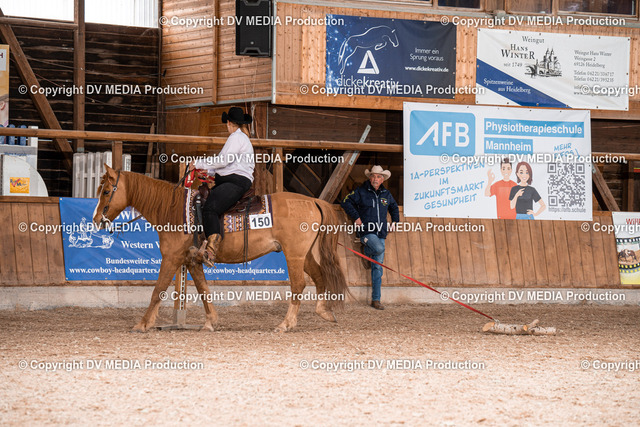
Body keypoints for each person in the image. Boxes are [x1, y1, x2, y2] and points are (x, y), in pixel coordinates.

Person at [188, 107, 255, 267]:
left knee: (210, 208)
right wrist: (209, 171)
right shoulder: (241, 138)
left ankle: (211, 251)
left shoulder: (235, 137)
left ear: (229, 123)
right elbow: (227, 165)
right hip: (237, 179)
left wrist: (198, 163)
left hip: (235, 181)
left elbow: (223, 161)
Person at [341, 165, 399, 310]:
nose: (375, 179)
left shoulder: (386, 194)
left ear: (382, 179)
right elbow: (346, 201)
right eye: (373, 176)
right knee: (378, 249)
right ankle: (365, 251)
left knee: (378, 268)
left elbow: (394, 207)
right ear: (369, 178)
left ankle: (376, 300)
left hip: (381, 233)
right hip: (366, 231)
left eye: (378, 176)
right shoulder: (361, 191)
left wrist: (395, 222)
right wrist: (356, 217)